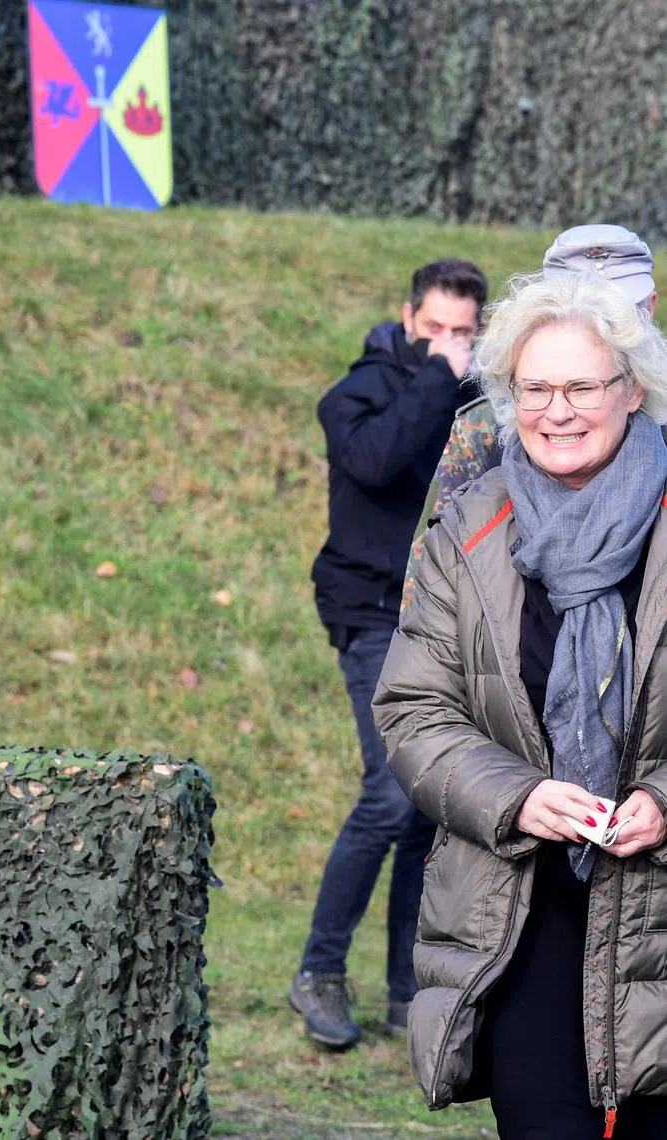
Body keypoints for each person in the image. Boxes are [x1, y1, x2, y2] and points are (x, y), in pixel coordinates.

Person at [373, 269, 667, 1139]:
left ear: (633, 390)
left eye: (581, 387)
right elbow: (414, 710)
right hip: (520, 915)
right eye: (534, 389)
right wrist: (519, 797)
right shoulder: (467, 529)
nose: (556, 411)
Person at [292, 259, 488, 1048]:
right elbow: (375, 460)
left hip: (444, 616)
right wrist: (440, 375)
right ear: (408, 319)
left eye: (464, 332)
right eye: (436, 328)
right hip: (370, 611)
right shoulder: (358, 393)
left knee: (425, 806)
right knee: (389, 796)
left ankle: (409, 991)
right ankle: (319, 970)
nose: (450, 343)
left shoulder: (480, 401)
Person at [402, 224, 658, 611]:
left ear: (650, 306)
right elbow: (429, 581)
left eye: (624, 311)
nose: (601, 326)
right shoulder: (487, 425)